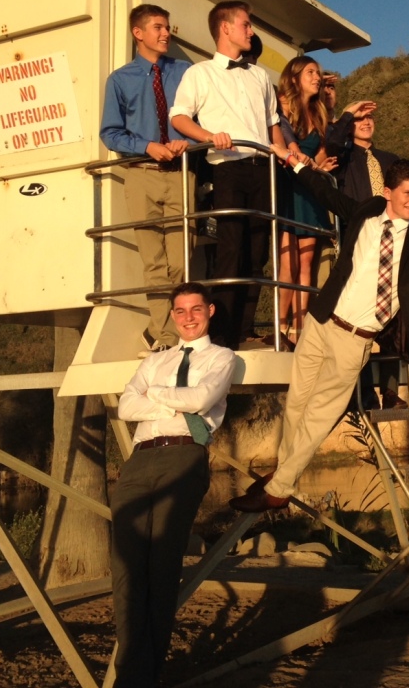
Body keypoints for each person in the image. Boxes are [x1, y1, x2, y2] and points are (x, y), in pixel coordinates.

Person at [230, 158, 409, 512]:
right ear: (387, 193)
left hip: (356, 339)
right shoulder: (365, 213)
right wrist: (297, 166)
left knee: (319, 413)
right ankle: (282, 476)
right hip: (321, 323)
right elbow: (326, 196)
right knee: (297, 404)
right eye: (408, 193)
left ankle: (279, 487)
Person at [109, 282, 235, 688]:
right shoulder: (155, 359)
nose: (188, 318)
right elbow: (127, 406)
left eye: (195, 309)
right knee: (127, 567)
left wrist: (157, 395)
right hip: (140, 459)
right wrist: (174, 398)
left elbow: (202, 399)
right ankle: (131, 671)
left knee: (162, 567)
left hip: (184, 455)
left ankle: (142, 677)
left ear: (210, 311)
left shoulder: (223, 357)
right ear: (172, 315)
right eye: (180, 311)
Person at [170, 1, 284, 350]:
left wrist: (282, 150)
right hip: (227, 167)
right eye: (247, 25)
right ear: (226, 28)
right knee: (231, 249)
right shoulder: (200, 73)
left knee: (258, 251)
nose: (251, 31)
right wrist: (208, 136)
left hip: (262, 168)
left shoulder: (261, 76)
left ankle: (244, 330)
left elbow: (272, 124)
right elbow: (179, 117)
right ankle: (221, 335)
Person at [99, 4, 194, 357]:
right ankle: (166, 337)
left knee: (182, 260)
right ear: (138, 33)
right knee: (154, 261)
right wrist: (146, 146)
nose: (166, 33)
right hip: (140, 174)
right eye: (158, 27)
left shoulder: (186, 72)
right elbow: (110, 133)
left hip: (182, 173)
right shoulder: (120, 80)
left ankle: (177, 333)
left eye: (167, 27)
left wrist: (190, 140)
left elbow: (203, 117)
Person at [326, 108, 404, 408]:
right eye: (359, 120)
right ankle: (365, 391)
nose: (366, 122)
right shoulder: (342, 157)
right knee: (359, 322)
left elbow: (407, 198)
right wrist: (346, 116)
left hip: (392, 243)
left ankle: (392, 390)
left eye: (370, 118)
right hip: (359, 243)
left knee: (393, 320)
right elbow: (330, 145)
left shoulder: (390, 159)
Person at [275, 57, 338, 346]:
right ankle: (280, 324)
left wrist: (320, 166)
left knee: (308, 261)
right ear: (296, 76)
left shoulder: (319, 113)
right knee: (288, 259)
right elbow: (278, 140)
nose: (316, 77)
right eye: (311, 73)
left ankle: (299, 327)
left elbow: (323, 151)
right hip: (289, 186)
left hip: (309, 189)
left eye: (318, 73)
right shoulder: (284, 106)